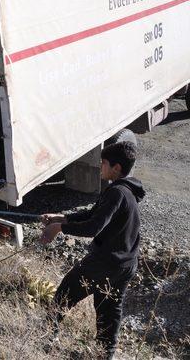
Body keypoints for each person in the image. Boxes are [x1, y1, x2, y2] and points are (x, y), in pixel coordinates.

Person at [40, 141, 145, 359]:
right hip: (125, 264)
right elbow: (94, 214)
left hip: (106, 262)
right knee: (109, 309)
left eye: (104, 162)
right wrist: (63, 217)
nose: (100, 166)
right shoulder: (126, 191)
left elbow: (93, 227)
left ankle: (46, 334)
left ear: (116, 168)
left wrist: (58, 228)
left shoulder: (117, 192)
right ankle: (105, 354)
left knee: (65, 292)